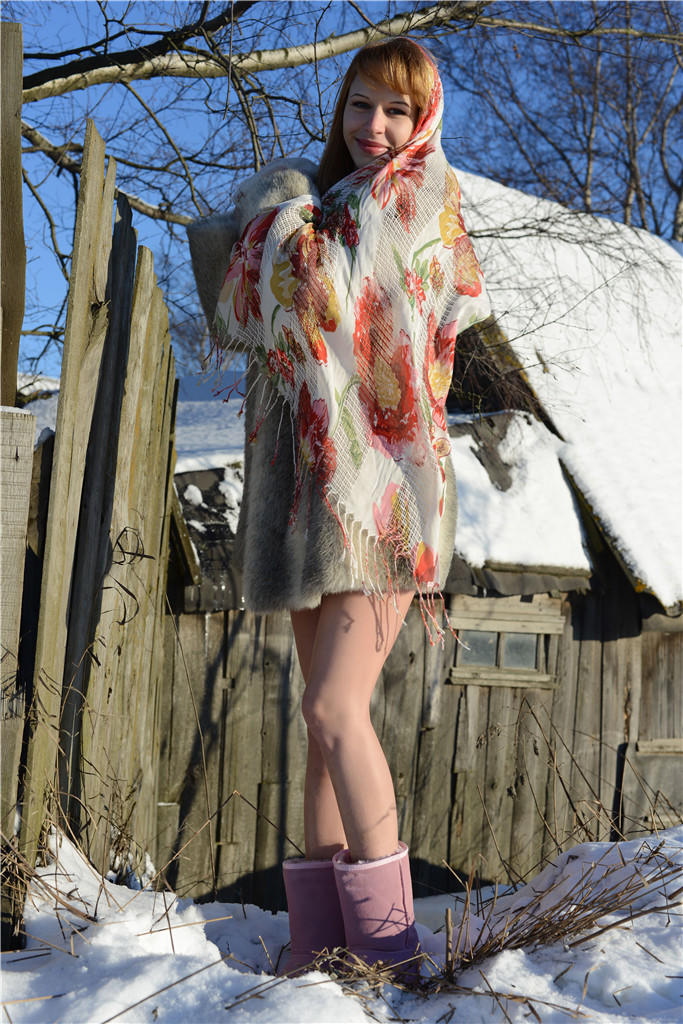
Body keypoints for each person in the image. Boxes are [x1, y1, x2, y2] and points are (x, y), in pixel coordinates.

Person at [188, 36, 490, 978]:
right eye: (360, 105)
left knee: (334, 705)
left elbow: (324, 300)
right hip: (311, 498)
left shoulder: (419, 203)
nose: (375, 127)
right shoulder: (324, 204)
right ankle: (318, 948)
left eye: (396, 110)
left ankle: (392, 946)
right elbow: (245, 310)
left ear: (423, 119)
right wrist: (287, 209)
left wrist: (279, 213)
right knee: (319, 727)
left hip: (387, 496)